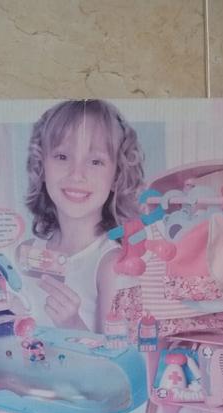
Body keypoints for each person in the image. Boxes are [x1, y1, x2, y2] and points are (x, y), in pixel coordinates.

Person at [21, 99, 144, 332]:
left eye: (95, 161)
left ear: (117, 176)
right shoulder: (27, 251)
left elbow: (114, 354)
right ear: (41, 166)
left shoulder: (111, 265)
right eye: (62, 157)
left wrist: (72, 324)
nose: (77, 174)